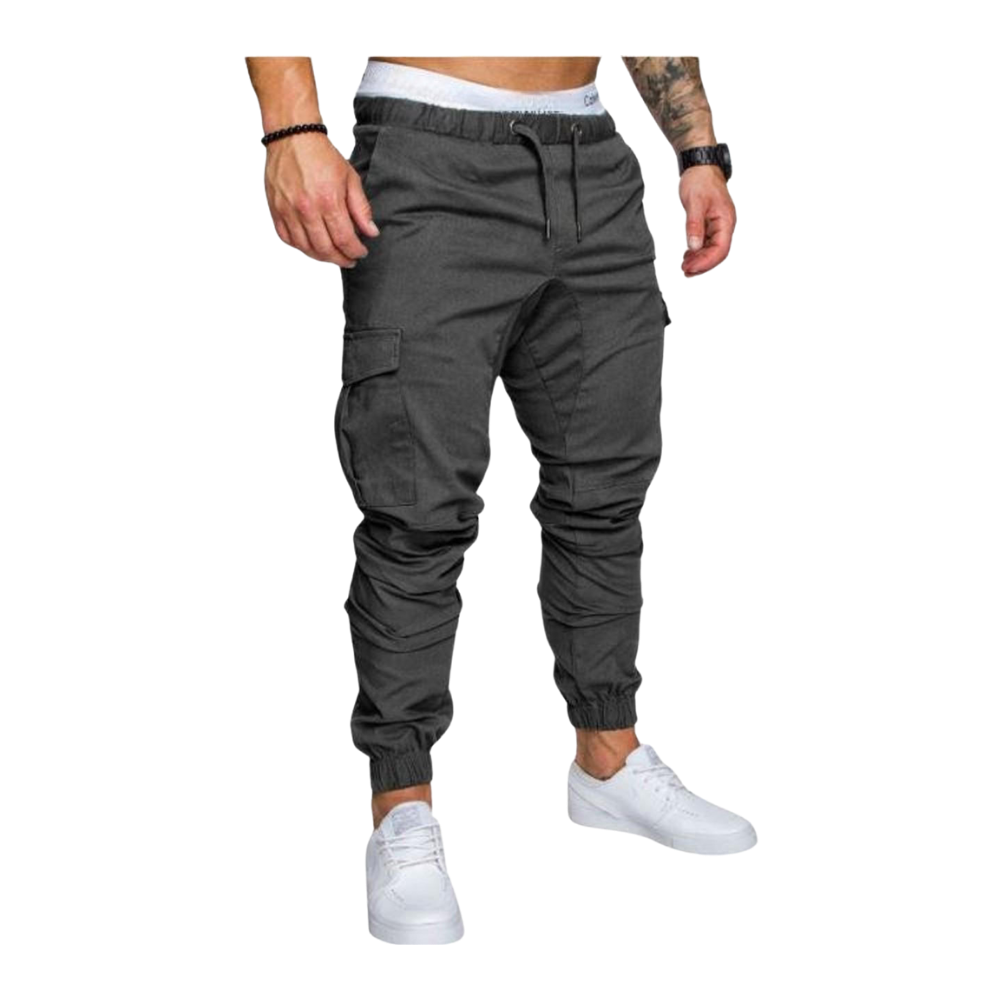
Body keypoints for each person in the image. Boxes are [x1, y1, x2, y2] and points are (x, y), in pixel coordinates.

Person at [246, 54, 754, 945]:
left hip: (594, 157)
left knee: (607, 489)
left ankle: (607, 760)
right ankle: (401, 808)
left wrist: (698, 149)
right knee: (416, 507)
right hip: (427, 152)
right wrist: (291, 127)